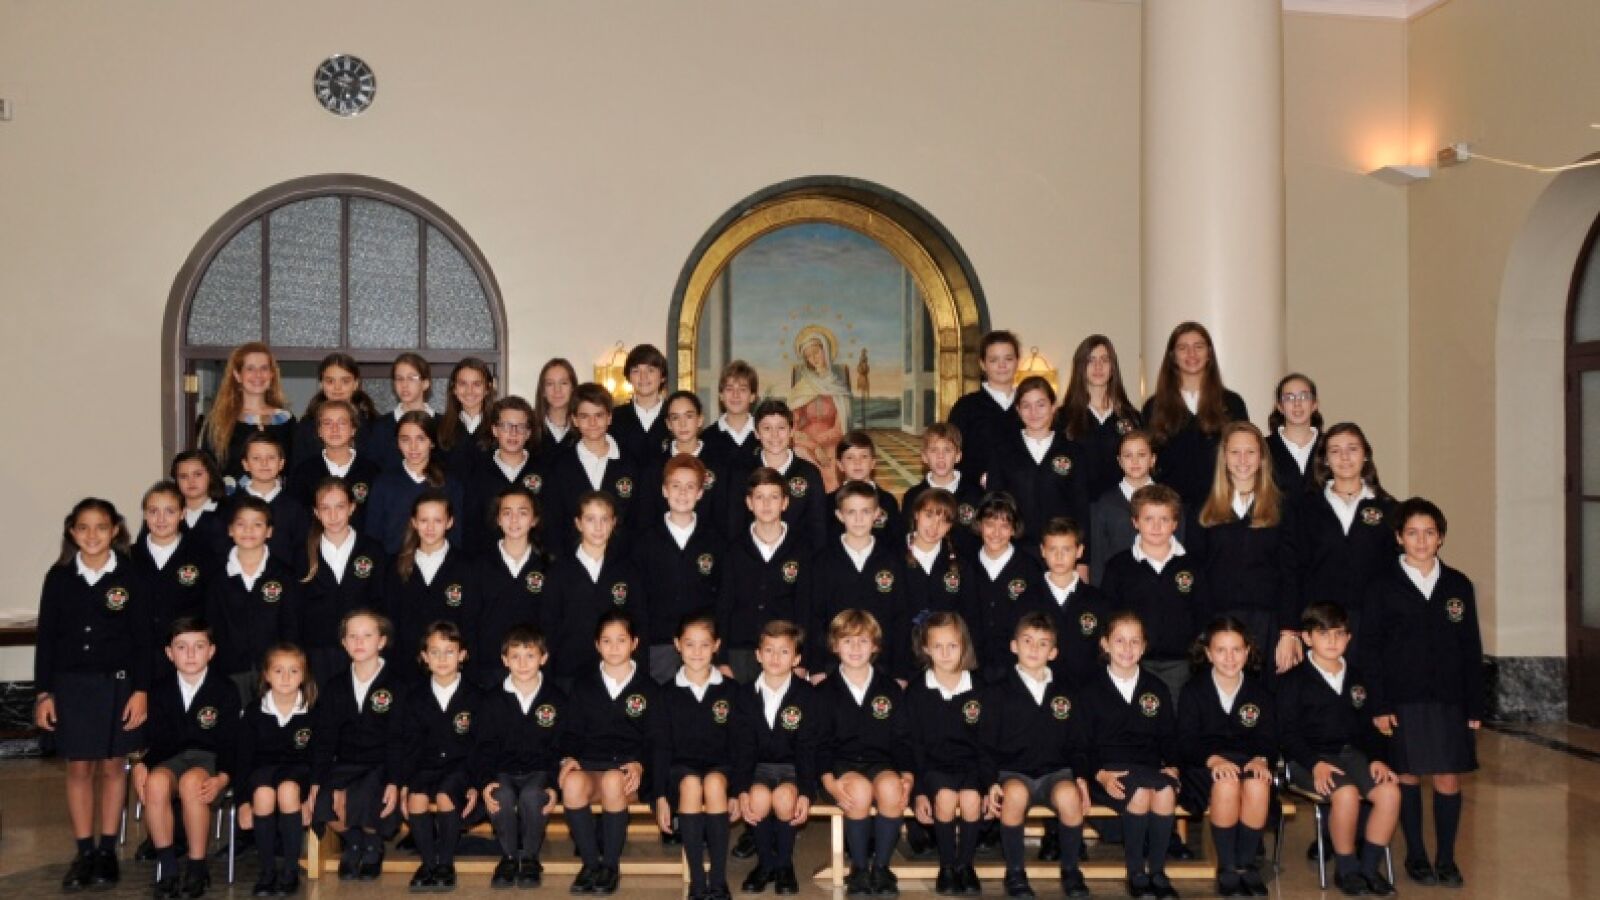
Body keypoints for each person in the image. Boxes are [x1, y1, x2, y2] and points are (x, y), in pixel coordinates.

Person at [35, 498, 150, 892]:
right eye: (83, 527)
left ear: (115, 530)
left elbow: (143, 639)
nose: (92, 535)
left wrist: (141, 690)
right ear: (72, 532)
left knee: (114, 768)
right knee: (79, 769)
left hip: (118, 685)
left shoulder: (130, 576)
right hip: (71, 687)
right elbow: (47, 639)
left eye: (101, 527)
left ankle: (106, 851)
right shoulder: (59, 577)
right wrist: (44, 693)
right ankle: (84, 851)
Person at [1369, 499, 1482, 889]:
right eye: (1412, 533)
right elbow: (1372, 649)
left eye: (1429, 533)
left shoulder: (1458, 585)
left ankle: (1446, 858)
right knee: (1408, 776)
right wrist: (1379, 704)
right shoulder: (1382, 585)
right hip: (1402, 698)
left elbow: (1471, 647)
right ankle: (1416, 855)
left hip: (1449, 698)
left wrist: (1474, 704)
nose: (1421, 541)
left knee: (1448, 777)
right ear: (1399, 537)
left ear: (1441, 537)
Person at [1279, 603, 1399, 897]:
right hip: (1307, 759)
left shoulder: (1358, 678)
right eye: (1323, 634)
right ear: (1307, 638)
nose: (1332, 641)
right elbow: (1286, 734)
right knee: (1345, 794)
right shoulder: (1292, 681)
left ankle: (1368, 867)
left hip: (1351, 755)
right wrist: (1314, 763)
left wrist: (1378, 759)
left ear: (1349, 638)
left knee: (1389, 792)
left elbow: (1370, 727)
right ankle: (1346, 868)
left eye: (1339, 634)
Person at [978, 612, 1091, 900]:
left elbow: (1078, 741)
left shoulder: (1066, 691)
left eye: (1043, 643)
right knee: (1014, 795)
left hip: (1055, 773)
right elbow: (985, 743)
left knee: (1070, 796)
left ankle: (1071, 870)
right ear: (1014, 645)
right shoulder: (997, 692)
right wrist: (990, 782)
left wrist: (1081, 777)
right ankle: (1015, 872)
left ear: (1053, 652)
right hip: (1014, 773)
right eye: (1027, 641)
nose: (1034, 648)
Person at [1078, 612, 1183, 900]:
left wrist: (1173, 766)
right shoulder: (1089, 690)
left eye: (1135, 641)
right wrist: (1098, 774)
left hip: (1147, 768)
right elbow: (1080, 743)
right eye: (1120, 641)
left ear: (1144, 646)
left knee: (1165, 791)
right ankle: (1136, 873)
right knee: (1138, 793)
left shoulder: (1156, 688)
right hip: (1107, 772)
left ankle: (1158, 872)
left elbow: (1169, 736)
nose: (1127, 648)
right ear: (1105, 644)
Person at [134, 618, 239, 900]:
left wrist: (223, 778)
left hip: (209, 760)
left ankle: (196, 867)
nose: (190, 654)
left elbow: (231, 742)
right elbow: (156, 740)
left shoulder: (225, 689)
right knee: (155, 783)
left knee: (192, 783)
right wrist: (142, 764)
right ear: (169, 653)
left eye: (199, 646)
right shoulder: (160, 689)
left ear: (211, 651)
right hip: (171, 758)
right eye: (181, 647)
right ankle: (168, 868)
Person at [814, 610, 914, 898]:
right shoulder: (824, 691)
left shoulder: (890, 688)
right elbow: (819, 743)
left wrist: (907, 775)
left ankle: (881, 868)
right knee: (858, 791)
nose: (855, 648)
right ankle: (858, 868)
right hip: (841, 767)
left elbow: (903, 739)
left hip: (881, 762)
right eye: (847, 641)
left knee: (892, 788)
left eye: (863, 641)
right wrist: (828, 781)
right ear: (835, 646)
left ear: (875, 646)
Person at [558, 609, 658, 895]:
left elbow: (656, 739)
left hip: (629, 773)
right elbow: (570, 731)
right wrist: (568, 758)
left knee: (614, 779)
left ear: (634, 643)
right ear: (597, 645)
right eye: (607, 641)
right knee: (572, 782)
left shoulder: (649, 687)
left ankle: (610, 866)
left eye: (621, 640)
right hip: (591, 766)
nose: (614, 647)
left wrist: (640, 763)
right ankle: (590, 865)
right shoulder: (583, 684)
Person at [1188, 422, 1297, 681]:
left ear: (1262, 458)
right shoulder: (1203, 507)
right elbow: (1196, 572)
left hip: (1267, 622)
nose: (1243, 460)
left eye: (1250, 452)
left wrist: (1289, 632)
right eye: (1235, 452)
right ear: (1224, 458)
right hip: (1218, 621)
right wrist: (1203, 631)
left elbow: (1291, 572)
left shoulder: (1282, 506)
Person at [1177, 617, 1276, 898]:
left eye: (1236, 650)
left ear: (1248, 651)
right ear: (1208, 654)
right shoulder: (1193, 690)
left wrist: (1261, 758)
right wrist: (1213, 761)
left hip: (1247, 760)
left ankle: (1247, 864)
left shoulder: (1260, 692)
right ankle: (1228, 866)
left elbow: (1269, 738)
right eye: (1221, 650)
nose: (1229, 658)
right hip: (1203, 766)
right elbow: (1185, 742)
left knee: (1257, 783)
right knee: (1227, 783)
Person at [1288, 422, 1397, 668]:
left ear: (1366, 455)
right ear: (1325, 460)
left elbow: (1396, 571)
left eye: (1352, 449)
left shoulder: (1389, 509)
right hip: (1321, 627)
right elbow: (1293, 570)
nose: (1344, 457)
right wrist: (1292, 630)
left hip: (1373, 624)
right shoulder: (1305, 508)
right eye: (1335, 451)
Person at [471, 624, 567, 889]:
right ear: (505, 660)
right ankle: (509, 857)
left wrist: (553, 785)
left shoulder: (556, 698)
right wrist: (485, 782)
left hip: (540, 772)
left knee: (532, 796)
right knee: (500, 795)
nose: (523, 663)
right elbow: (483, 746)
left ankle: (531, 857)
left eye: (530, 655)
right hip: (503, 771)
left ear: (543, 658)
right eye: (515, 656)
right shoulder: (492, 699)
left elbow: (561, 747)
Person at [310, 610, 404, 881]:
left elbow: (399, 738)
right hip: (347, 763)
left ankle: (373, 844)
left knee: (368, 792)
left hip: (382, 764)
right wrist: (317, 780)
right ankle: (353, 841)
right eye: (352, 636)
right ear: (343, 643)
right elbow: (325, 738)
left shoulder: (397, 684)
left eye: (367, 635)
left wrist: (395, 781)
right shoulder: (335, 685)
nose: (359, 642)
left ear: (381, 641)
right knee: (322, 798)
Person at [653, 613, 741, 900]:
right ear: (677, 645)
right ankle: (697, 881)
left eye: (705, 644)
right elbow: (661, 747)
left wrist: (738, 791)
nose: (697, 652)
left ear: (716, 646)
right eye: (689, 644)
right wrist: (660, 796)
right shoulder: (665, 694)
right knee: (691, 784)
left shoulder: (732, 690)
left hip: (721, 767)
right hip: (680, 770)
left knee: (714, 783)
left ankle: (718, 879)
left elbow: (741, 745)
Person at [1098, 484, 1209, 702]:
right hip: (1132, 663)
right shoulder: (1118, 567)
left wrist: (1193, 652)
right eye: (1148, 519)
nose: (1156, 526)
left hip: (1180, 665)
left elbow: (1203, 613)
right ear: (1135, 522)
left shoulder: (1192, 566)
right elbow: (1108, 616)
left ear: (1175, 523)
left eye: (1164, 519)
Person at [731, 620, 818, 896]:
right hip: (759, 768)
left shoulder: (807, 695)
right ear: (758, 655)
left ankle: (784, 865)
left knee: (783, 798)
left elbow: (808, 747)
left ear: (797, 658)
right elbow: (742, 747)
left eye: (784, 651)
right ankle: (765, 864)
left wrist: (806, 791)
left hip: (792, 769)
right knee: (757, 798)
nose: (775, 657)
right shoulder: (744, 694)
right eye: (769, 650)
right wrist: (740, 789)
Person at [905, 612, 989, 897]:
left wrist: (989, 784)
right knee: (945, 797)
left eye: (952, 646)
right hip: (933, 768)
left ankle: (966, 865)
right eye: (937, 646)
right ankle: (947, 867)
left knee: (971, 798)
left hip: (970, 767)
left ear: (964, 645)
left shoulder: (980, 688)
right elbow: (913, 746)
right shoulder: (917, 691)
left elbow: (988, 743)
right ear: (926, 648)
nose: (945, 653)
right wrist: (918, 792)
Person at [398, 622, 483, 892]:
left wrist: (475, 783)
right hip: (427, 766)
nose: (442, 659)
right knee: (417, 797)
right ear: (424, 657)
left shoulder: (476, 696)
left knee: (446, 794)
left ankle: (445, 863)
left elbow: (481, 746)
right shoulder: (414, 698)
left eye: (449, 651)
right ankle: (427, 863)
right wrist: (405, 784)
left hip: (461, 769)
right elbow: (409, 745)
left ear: (462, 655)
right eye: (434, 652)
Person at [235, 643, 317, 897]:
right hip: (263, 772)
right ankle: (267, 872)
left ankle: (290, 871)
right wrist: (243, 802)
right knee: (263, 794)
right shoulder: (253, 712)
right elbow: (243, 761)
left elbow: (320, 758)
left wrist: (311, 798)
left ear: (303, 676)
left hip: (299, 773)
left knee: (288, 790)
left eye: (294, 671)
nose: (286, 678)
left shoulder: (313, 711)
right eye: (278, 671)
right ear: (266, 675)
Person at [717, 468, 813, 684]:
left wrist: (803, 660)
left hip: (784, 652)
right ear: (749, 503)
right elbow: (724, 605)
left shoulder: (801, 549)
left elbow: (805, 607)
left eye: (774, 497)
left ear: (785, 503)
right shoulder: (734, 549)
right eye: (759, 497)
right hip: (740, 652)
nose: (767, 504)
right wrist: (721, 659)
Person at [633, 455, 723, 684]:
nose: (683, 493)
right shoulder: (644, 541)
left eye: (690, 486)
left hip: (701, 646)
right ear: (664, 490)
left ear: (700, 493)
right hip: (658, 646)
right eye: (676, 486)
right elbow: (637, 601)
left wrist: (717, 649)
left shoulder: (715, 540)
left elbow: (722, 598)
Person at [986, 377, 1091, 572]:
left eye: (1041, 404)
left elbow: (1081, 508)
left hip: (1061, 553)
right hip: (1015, 552)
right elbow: (994, 506)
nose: (1033, 412)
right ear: (1018, 410)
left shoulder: (1073, 451)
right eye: (1026, 406)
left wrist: (1083, 561)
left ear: (1053, 407)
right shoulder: (1002, 451)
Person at [809, 481, 911, 682]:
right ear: (839, 515)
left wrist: (900, 672)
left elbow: (901, 617)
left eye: (865, 512)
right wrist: (817, 667)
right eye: (851, 512)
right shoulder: (823, 561)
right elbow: (815, 617)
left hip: (883, 666)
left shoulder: (893, 560)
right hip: (833, 666)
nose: (858, 519)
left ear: (877, 514)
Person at [1141, 323, 1248, 509]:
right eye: (1183, 348)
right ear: (1172, 356)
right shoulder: (1154, 406)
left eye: (1198, 346)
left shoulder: (1232, 403)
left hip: (1220, 507)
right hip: (1170, 511)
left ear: (1209, 353)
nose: (1191, 354)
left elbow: (1244, 455)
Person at [545, 491, 649, 685]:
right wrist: (548, 677)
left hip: (616, 672)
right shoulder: (559, 571)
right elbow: (549, 627)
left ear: (613, 523)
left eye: (604, 519)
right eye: (590, 519)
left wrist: (640, 671)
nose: (598, 527)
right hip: (568, 672)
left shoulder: (627, 569)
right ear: (578, 523)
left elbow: (640, 622)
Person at [205, 496, 299, 704]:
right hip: (230, 670)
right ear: (230, 530)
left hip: (274, 671)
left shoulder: (283, 575)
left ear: (269, 531)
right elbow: (212, 626)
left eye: (257, 524)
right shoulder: (217, 578)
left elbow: (291, 626)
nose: (248, 530)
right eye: (241, 524)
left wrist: (287, 665)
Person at [296, 478, 387, 683]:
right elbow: (296, 607)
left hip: (361, 648)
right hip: (317, 651)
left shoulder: (372, 550)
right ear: (316, 512)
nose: (333, 515)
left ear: (352, 508)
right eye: (325, 508)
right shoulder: (303, 554)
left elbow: (380, 601)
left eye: (340, 507)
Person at [541, 383, 644, 559]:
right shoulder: (560, 466)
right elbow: (552, 523)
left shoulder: (630, 463)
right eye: (585, 416)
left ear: (609, 417)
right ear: (574, 420)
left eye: (599, 415)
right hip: (573, 562)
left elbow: (639, 520)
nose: (593, 423)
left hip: (621, 561)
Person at [471, 486, 552, 691]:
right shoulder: (478, 565)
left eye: (522, 513)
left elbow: (552, 621)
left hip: (534, 668)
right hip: (489, 670)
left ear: (534, 519)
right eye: (507, 513)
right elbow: (470, 620)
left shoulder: (548, 565)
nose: (514, 520)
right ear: (498, 519)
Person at [133, 482, 215, 683]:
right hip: (138, 659)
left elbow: (211, 609)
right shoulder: (128, 557)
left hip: (187, 661)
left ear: (182, 514)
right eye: (153, 511)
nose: (161, 519)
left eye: (169, 511)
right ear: (145, 515)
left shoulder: (202, 556)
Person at [963, 493, 1048, 681]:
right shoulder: (966, 566)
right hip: (974, 665)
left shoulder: (1029, 568)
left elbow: (1037, 619)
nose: (996, 533)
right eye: (990, 524)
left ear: (1014, 529)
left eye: (1004, 526)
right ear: (979, 525)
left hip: (1017, 667)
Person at [388, 491, 478, 665]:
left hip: (450, 663)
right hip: (406, 663)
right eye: (424, 520)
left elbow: (471, 619)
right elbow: (391, 618)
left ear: (449, 522)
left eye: (437, 520)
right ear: (414, 522)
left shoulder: (467, 566)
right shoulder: (395, 566)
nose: (430, 528)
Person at [1055, 335, 1143, 506]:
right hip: (1078, 510)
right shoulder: (1062, 418)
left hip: (1124, 510)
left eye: (1105, 359)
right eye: (1091, 360)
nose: (1098, 366)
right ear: (1080, 367)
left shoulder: (1132, 418)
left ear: (1113, 367)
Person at [364, 411, 466, 554]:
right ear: (397, 443)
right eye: (405, 440)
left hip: (437, 564)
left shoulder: (450, 484)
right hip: (392, 564)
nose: (413, 447)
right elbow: (373, 536)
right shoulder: (383, 483)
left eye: (421, 439)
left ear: (432, 442)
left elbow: (456, 536)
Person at [200, 342, 296, 483]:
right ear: (237, 375)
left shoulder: (287, 421)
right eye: (250, 368)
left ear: (272, 375)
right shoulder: (219, 422)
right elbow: (207, 471)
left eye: (264, 368)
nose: (258, 374)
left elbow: (295, 470)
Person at [1034, 517, 1113, 688]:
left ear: (1079, 551)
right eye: (1052, 549)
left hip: (1087, 692)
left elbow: (1106, 653)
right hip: (1040, 692)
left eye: (1066, 549)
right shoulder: (1028, 600)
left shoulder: (1098, 601)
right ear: (1042, 551)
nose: (1059, 556)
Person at [460, 396, 543, 554]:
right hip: (487, 561)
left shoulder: (543, 471)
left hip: (533, 560)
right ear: (495, 430)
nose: (513, 433)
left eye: (520, 427)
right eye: (506, 426)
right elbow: (470, 529)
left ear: (528, 433)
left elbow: (550, 525)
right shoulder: (477, 473)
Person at [1088, 429, 1169, 585]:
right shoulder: (1104, 504)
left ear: (1153, 459)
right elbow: (1097, 558)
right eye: (1128, 455)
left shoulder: (1168, 501)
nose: (1135, 461)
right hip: (1118, 587)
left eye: (1141, 455)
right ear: (1119, 461)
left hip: (1160, 585)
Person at [746, 399, 828, 549]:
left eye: (781, 428)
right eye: (767, 428)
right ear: (756, 433)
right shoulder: (743, 472)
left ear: (792, 431)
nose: (775, 435)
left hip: (800, 558)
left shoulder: (809, 473)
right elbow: (736, 525)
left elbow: (819, 528)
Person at [287, 399, 378, 532]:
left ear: (353, 429)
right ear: (319, 431)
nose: (334, 429)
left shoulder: (371, 471)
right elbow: (296, 519)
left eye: (342, 423)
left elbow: (376, 520)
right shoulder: (304, 472)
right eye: (327, 423)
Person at [946, 330, 1022, 487]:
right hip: (976, 495)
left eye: (1008, 359)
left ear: (1017, 361)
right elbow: (951, 455)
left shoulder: (1028, 407)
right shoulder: (966, 407)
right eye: (994, 360)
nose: (1002, 365)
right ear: (982, 364)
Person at [900, 424, 984, 558]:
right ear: (924, 456)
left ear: (958, 456)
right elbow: (907, 539)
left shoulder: (975, 494)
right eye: (934, 450)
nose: (941, 456)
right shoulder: (913, 496)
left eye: (947, 450)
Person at [233, 432, 311, 575]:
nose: (264, 463)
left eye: (271, 457)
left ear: (281, 463)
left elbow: (301, 554)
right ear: (245, 464)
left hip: (284, 583)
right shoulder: (231, 507)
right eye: (256, 458)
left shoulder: (296, 508)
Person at [900, 490, 975, 630]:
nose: (934, 526)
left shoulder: (960, 563)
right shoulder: (893, 557)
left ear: (951, 526)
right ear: (916, 513)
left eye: (944, 521)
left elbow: (969, 614)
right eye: (929, 516)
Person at [289, 353, 377, 471]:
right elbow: (297, 471)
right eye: (330, 381)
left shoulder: (373, 425)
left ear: (356, 384)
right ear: (321, 384)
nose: (337, 388)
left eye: (345, 381)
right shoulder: (306, 426)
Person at [789, 330, 853, 491]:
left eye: (816, 352)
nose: (814, 359)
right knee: (799, 454)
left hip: (831, 440)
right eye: (809, 356)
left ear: (826, 350)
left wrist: (818, 443)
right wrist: (814, 446)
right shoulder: (802, 386)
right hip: (805, 441)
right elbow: (793, 425)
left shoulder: (838, 388)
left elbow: (839, 429)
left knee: (832, 467)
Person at [827, 431, 904, 548]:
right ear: (840, 465)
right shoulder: (829, 502)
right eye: (850, 457)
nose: (857, 462)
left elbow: (897, 541)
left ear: (873, 463)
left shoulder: (887, 500)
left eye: (864, 456)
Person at [362, 353, 433, 475]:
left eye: (411, 378)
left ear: (425, 383)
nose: (404, 385)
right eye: (399, 379)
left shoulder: (444, 426)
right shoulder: (378, 428)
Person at [609, 344, 672, 464]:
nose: (643, 377)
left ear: (662, 376)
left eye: (650, 370)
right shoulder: (614, 418)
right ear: (629, 377)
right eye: (636, 371)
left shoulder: (674, 415)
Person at [436, 357, 497, 476]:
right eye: (463, 384)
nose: (469, 391)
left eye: (477, 384)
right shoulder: (439, 427)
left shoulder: (499, 426)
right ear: (454, 388)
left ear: (487, 388)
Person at [1265, 374, 1321, 497]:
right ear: (1280, 407)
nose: (1297, 403)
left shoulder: (1330, 446)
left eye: (1304, 396)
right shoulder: (1264, 448)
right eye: (1289, 398)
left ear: (1314, 404)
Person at [701, 360, 760, 477]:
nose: (735, 395)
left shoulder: (765, 436)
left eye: (742, 389)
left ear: (753, 396)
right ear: (721, 395)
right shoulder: (706, 439)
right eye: (729, 389)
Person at [172, 450, 230, 558]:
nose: (191, 481)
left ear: (210, 476)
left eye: (198, 474)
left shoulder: (229, 512)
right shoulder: (167, 514)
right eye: (183, 476)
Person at [534, 357, 579, 459]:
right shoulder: (529, 429)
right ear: (543, 391)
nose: (557, 390)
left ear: (573, 388)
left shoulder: (585, 429)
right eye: (550, 384)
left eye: (563, 383)